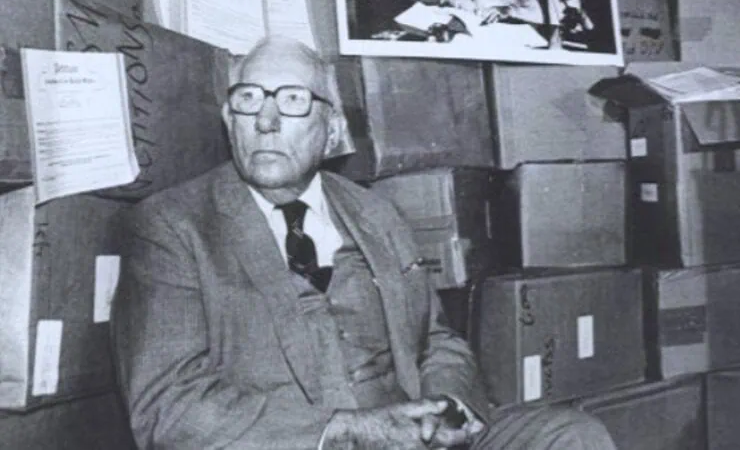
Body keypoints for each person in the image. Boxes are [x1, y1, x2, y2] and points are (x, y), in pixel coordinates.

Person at [111, 37, 619, 450]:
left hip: (412, 438)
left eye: (292, 100)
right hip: (295, 444)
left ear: (330, 130)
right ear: (229, 119)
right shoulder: (172, 227)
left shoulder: (374, 212)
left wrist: (447, 407)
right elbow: (167, 405)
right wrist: (346, 431)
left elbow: (437, 341)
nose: (265, 121)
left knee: (572, 437)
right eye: (248, 99)